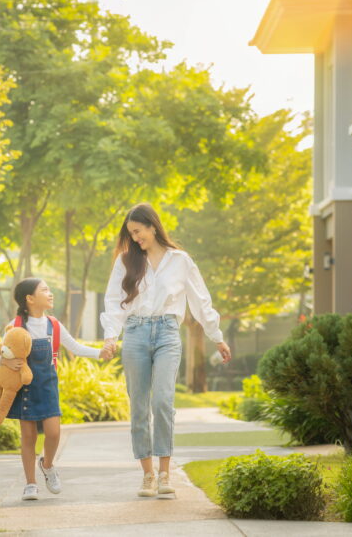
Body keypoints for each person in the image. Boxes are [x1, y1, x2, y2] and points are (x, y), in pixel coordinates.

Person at [101, 203, 232, 497]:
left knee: (162, 400)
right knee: (138, 406)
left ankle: (165, 473)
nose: (135, 238)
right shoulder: (126, 261)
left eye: (138, 231)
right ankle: (147, 475)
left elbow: (201, 300)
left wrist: (217, 337)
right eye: (131, 234)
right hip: (134, 333)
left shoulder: (181, 261)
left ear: (152, 226)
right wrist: (111, 336)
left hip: (167, 333)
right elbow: (114, 300)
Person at [0, 277, 113, 501]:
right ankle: (30, 484)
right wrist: (7, 363)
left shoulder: (54, 325)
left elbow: (76, 348)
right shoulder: (16, 326)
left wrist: (100, 352)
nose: (50, 293)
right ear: (29, 298)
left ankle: (47, 465)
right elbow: (2, 353)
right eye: (45, 290)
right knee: (28, 436)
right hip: (24, 387)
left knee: (53, 433)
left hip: (48, 385)